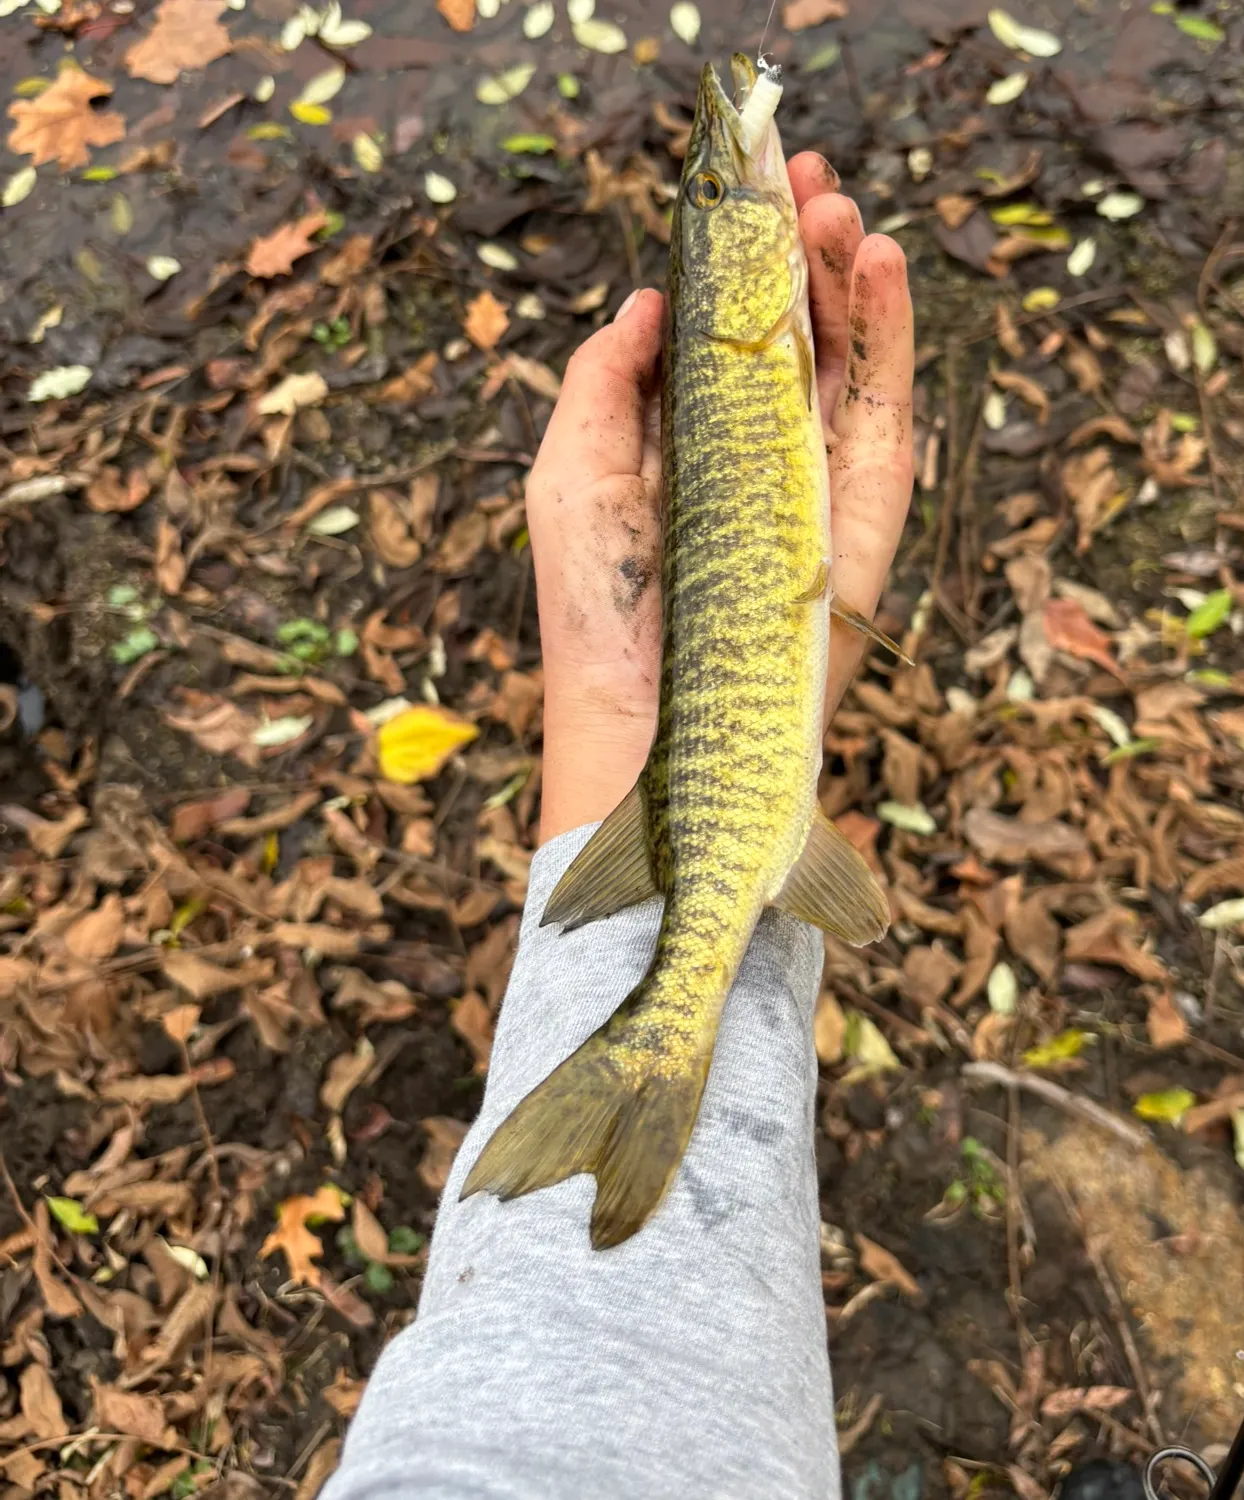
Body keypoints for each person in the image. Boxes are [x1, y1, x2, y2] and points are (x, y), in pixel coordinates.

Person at [323, 153, 914, 1500]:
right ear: (729, 266)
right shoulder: (742, 312)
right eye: (722, 198)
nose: (739, 180)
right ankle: (644, 1057)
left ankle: (638, 1058)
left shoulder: (752, 320)